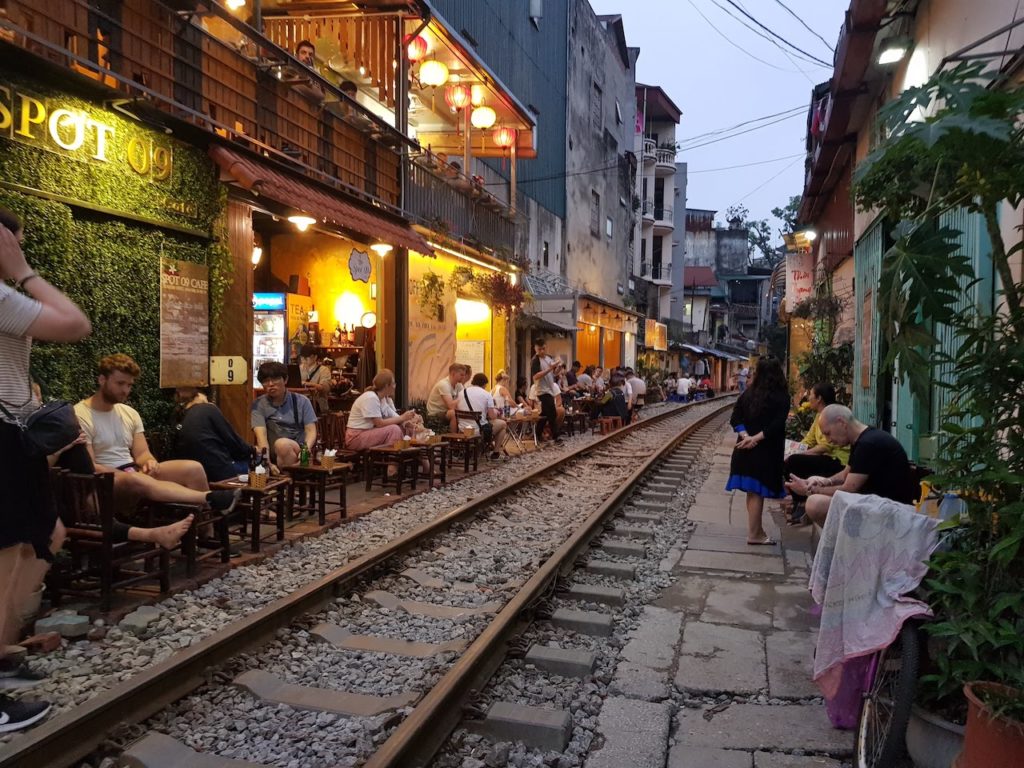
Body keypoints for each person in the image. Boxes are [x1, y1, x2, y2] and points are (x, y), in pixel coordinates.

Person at [0, 208, 91, 729]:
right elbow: (75, 323)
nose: (20, 246)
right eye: (16, 240)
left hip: (16, 435)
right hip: (5, 438)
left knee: (41, 537)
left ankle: (6, 650)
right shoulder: (4, 293)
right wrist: (24, 270)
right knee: (9, 552)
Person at [74, 354, 241, 512]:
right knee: (137, 479)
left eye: (129, 385)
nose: (125, 390)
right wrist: (129, 475)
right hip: (103, 482)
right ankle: (209, 498)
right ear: (102, 380)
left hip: (132, 471)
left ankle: (204, 533)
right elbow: (90, 466)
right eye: (120, 383)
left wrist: (149, 462)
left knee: (193, 468)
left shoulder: (129, 413)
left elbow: (142, 454)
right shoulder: (80, 415)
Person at [785, 404, 918, 527]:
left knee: (815, 504)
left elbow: (849, 489)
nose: (828, 440)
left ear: (841, 422)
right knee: (815, 484)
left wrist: (810, 491)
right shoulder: (862, 439)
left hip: (889, 509)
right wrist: (822, 482)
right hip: (874, 501)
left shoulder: (868, 444)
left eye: (828, 433)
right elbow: (845, 474)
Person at [724, 357, 790, 545]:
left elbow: (735, 418)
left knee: (752, 493)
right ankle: (754, 534)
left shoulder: (748, 394)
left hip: (744, 450)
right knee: (757, 492)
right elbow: (777, 424)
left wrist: (746, 437)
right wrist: (755, 439)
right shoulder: (782, 396)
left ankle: (757, 530)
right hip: (766, 451)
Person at [783, 383, 849, 525]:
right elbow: (810, 439)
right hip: (824, 457)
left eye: (811, 395)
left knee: (795, 461)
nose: (808, 398)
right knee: (789, 459)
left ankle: (801, 502)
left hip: (837, 460)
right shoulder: (819, 415)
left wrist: (802, 454)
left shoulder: (832, 415)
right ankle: (797, 500)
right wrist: (794, 449)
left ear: (819, 398)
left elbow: (827, 445)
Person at [173, 388, 252, 483]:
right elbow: (236, 445)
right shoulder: (208, 409)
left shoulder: (177, 416)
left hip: (188, 475)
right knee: (254, 465)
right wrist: (253, 451)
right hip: (218, 475)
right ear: (199, 395)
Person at [251, 361, 318, 471]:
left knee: (282, 444)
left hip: (300, 452)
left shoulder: (302, 401)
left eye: (275, 379)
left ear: (285, 380)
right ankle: (289, 480)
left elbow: (311, 431)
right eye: (266, 381)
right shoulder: (259, 405)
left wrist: (305, 451)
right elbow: (261, 437)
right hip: (274, 454)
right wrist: (267, 462)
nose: (271, 384)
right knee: (280, 445)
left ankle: (288, 481)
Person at [345, 369, 418, 450]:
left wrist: (407, 423)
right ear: (387, 385)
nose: (395, 386)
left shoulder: (381, 398)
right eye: (393, 383)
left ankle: (410, 458)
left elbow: (393, 415)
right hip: (355, 438)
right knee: (394, 430)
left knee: (405, 428)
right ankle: (392, 460)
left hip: (367, 432)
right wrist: (402, 417)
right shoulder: (371, 397)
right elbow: (379, 423)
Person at [458, 373, 506, 459]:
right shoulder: (486, 394)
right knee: (503, 424)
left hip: (462, 429)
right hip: (477, 430)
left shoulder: (462, 392)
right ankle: (495, 452)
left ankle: (481, 450)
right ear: (484, 384)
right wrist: (496, 412)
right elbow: (492, 416)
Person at [530, 339, 562, 444]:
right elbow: (535, 376)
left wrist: (558, 367)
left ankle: (537, 434)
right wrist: (550, 368)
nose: (542, 351)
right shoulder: (535, 360)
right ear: (535, 349)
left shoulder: (549, 358)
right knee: (552, 413)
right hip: (542, 390)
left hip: (550, 389)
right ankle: (556, 436)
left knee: (544, 414)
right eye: (539, 349)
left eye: (543, 348)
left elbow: (554, 373)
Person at [425, 363, 468, 434]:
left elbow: (463, 400)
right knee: (453, 413)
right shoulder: (444, 384)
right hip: (435, 413)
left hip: (446, 411)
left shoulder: (459, 385)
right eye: (461, 375)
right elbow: (451, 406)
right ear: (453, 373)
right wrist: (463, 397)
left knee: (464, 412)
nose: (463, 377)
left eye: (464, 375)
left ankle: (464, 436)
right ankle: (453, 438)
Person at [298, 344, 332, 414]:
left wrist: (306, 383)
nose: (304, 360)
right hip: (300, 407)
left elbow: (325, 388)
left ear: (315, 357)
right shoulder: (298, 369)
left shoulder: (324, 370)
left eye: (307, 358)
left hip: (317, 408)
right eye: (302, 358)